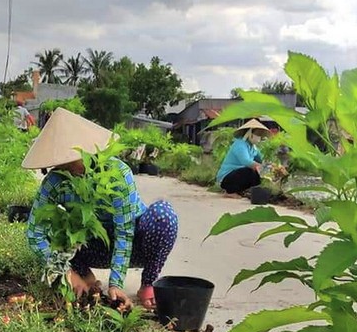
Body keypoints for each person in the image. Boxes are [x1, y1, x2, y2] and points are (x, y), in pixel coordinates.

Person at [23, 108, 178, 310]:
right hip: (93, 248)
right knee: (57, 226)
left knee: (164, 216)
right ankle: (84, 277)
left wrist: (116, 283)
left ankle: (148, 282)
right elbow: (35, 234)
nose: (67, 164)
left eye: (72, 156)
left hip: (135, 245)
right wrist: (65, 271)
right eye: (61, 159)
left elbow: (125, 232)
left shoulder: (116, 173)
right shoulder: (54, 182)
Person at [216, 119, 272, 195]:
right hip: (226, 178)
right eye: (257, 134)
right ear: (249, 133)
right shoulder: (240, 144)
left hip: (237, 175)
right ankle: (229, 192)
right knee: (250, 171)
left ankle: (240, 190)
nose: (259, 137)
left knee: (256, 174)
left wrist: (271, 166)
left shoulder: (253, 147)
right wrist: (261, 167)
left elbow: (261, 159)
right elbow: (246, 161)